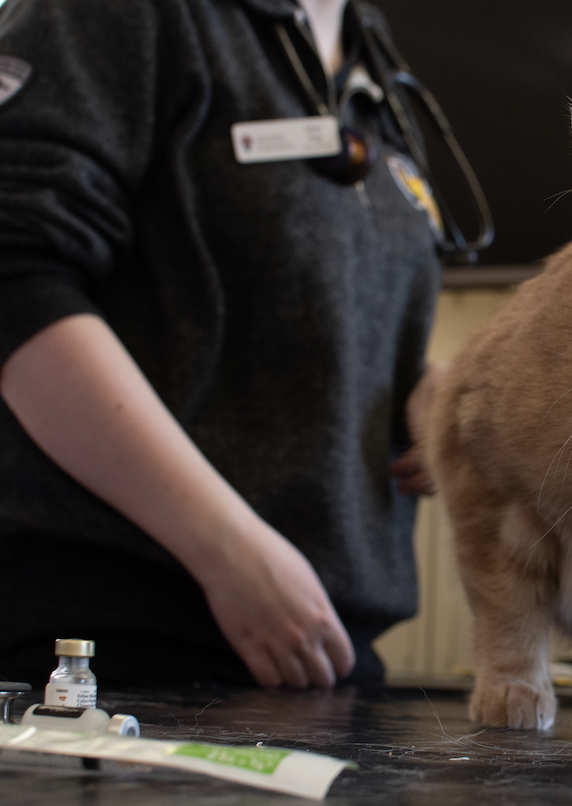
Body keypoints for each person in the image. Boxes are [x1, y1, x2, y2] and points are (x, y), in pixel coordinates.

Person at [0, 0, 455, 688]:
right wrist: (225, 549)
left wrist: (416, 395)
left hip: (322, 654)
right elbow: (17, 275)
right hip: (114, 654)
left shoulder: (369, 59)